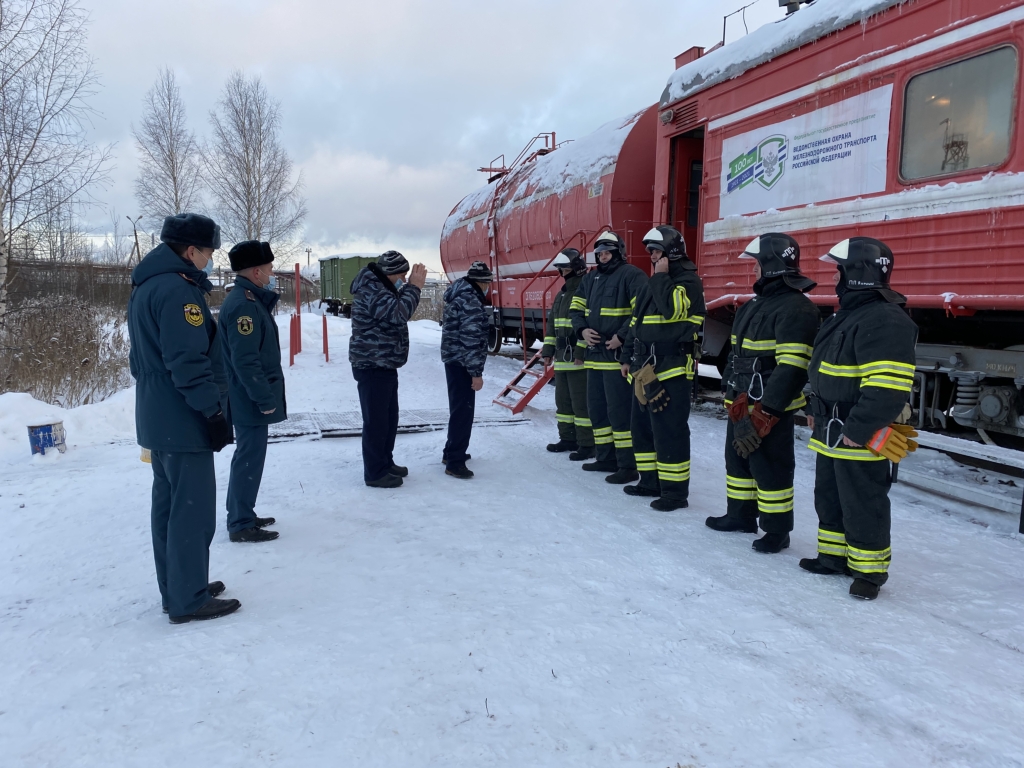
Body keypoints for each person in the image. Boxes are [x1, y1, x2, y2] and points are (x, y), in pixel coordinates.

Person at [127, 212, 240, 624]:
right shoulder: (179, 292)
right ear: (191, 251)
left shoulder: (147, 286)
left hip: (158, 414)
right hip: (182, 415)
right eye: (209, 251)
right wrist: (211, 410)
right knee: (191, 511)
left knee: (169, 507)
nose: (211, 258)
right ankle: (189, 598)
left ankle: (177, 587)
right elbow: (187, 361)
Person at [799, 237, 919, 600]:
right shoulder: (849, 314)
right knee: (830, 495)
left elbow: (887, 386)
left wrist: (860, 428)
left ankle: (869, 572)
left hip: (855, 433)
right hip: (829, 428)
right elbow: (819, 367)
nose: (836, 278)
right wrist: (811, 407)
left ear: (858, 273)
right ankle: (833, 557)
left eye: (840, 270)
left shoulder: (885, 319)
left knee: (862, 500)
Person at [705, 233, 820, 552]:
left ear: (771, 265)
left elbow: (792, 367)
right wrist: (731, 389)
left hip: (768, 406)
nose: (753, 269)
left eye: (757, 263)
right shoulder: (752, 305)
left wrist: (768, 410)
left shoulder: (797, 309)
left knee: (771, 466)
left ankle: (776, 530)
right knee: (738, 461)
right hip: (741, 400)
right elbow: (735, 355)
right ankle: (740, 516)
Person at [621, 226, 705, 511]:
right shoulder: (653, 282)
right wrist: (628, 359)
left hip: (673, 369)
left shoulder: (688, 282)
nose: (652, 258)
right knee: (642, 428)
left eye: (656, 252)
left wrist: (661, 276)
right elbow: (637, 323)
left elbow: (672, 309)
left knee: (670, 431)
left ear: (671, 253)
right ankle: (649, 482)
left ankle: (674, 493)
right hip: (645, 369)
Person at [219, 240, 285, 543]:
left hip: (248, 395)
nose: (272, 273)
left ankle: (242, 512)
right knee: (249, 457)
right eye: (269, 269)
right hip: (249, 397)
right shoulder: (244, 305)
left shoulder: (249, 300)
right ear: (257, 272)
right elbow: (245, 360)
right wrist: (263, 398)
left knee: (250, 457)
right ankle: (240, 523)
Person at [569, 231, 648, 484]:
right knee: (598, 411)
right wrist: (581, 329)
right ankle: (605, 458)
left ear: (618, 253)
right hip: (594, 359)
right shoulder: (590, 279)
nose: (603, 257)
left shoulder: (632, 275)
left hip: (616, 359)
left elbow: (641, 312)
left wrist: (622, 337)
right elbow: (575, 309)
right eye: (600, 253)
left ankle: (627, 465)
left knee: (620, 413)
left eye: (607, 252)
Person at [349, 250, 428, 488]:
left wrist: (407, 288)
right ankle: (375, 472)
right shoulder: (371, 288)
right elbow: (398, 313)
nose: (403, 279)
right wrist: (414, 287)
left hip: (384, 363)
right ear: (390, 273)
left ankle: (385, 461)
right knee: (376, 421)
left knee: (388, 419)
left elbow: (395, 306)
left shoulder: (381, 286)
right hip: (372, 364)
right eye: (402, 275)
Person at [440, 260, 493, 479]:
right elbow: (470, 339)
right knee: (463, 412)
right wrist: (476, 373)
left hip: (453, 360)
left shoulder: (459, 295)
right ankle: (455, 461)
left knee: (458, 408)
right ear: (482, 283)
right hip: (463, 362)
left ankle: (450, 451)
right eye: (488, 284)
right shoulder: (471, 300)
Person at [540, 248, 594, 459]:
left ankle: (587, 444)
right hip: (562, 358)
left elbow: (586, 324)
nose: (562, 273)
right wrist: (547, 350)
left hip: (579, 358)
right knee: (563, 403)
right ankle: (568, 439)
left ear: (577, 269)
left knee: (581, 403)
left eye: (565, 269)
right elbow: (552, 325)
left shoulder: (585, 291)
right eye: (561, 270)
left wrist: (581, 350)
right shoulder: (562, 295)